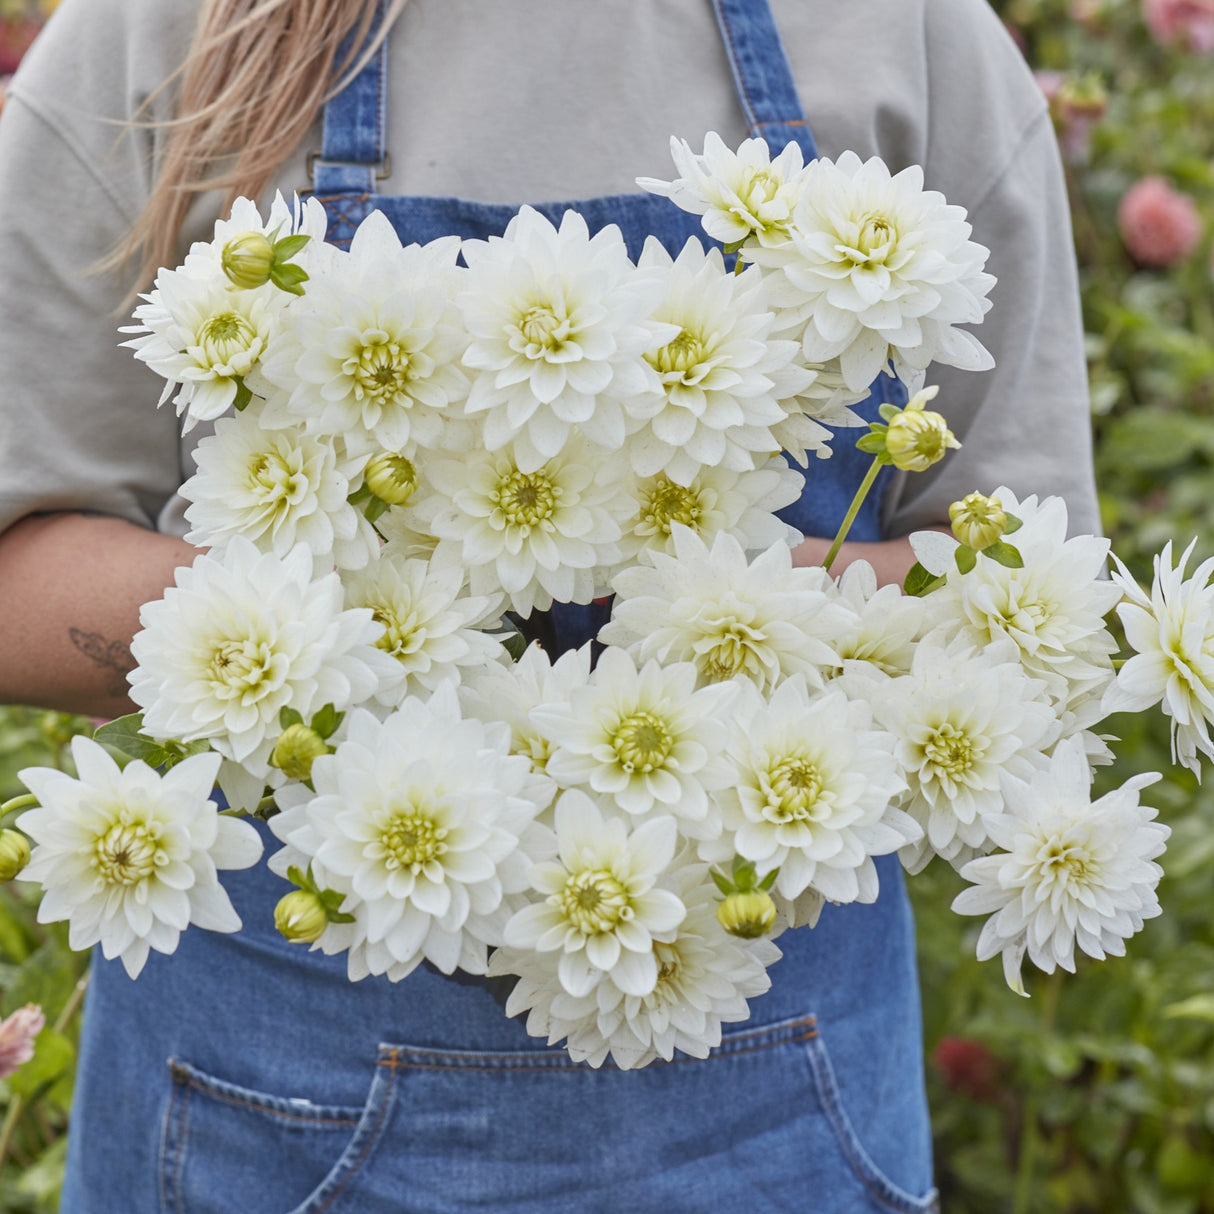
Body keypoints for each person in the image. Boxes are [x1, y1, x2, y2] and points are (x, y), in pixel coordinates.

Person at [0, 0, 1099, 1209]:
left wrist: (701, 611)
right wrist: (399, 616)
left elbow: (1032, 593)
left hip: (777, 1100)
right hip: (261, 1102)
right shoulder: (161, 35)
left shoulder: (906, 33)